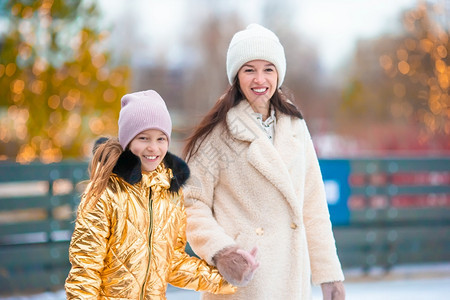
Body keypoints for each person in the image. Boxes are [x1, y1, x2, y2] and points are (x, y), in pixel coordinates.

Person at [183, 24, 346, 299]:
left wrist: (329, 275)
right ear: (237, 75)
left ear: (278, 73)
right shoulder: (218, 133)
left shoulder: (295, 126)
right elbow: (190, 203)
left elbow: (313, 205)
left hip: (292, 279)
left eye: (268, 69)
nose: (260, 79)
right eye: (249, 70)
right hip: (245, 281)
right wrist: (223, 252)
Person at [65, 90, 239, 299]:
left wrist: (228, 279)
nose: (153, 147)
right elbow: (86, 271)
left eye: (161, 138)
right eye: (143, 138)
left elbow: (172, 263)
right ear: (127, 141)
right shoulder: (105, 193)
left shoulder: (170, 195)